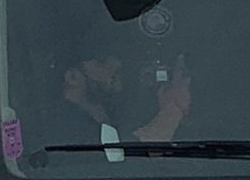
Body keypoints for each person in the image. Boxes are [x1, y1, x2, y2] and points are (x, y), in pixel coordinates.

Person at [51, 47, 189, 157]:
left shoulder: (115, 118)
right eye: (102, 61)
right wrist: (173, 108)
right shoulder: (64, 132)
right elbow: (128, 162)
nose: (117, 64)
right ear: (73, 77)